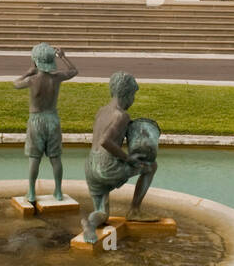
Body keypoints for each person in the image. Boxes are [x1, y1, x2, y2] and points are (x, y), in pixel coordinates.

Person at [82, 72, 159, 242]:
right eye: (133, 95)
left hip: (90, 166)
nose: (133, 100)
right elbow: (105, 141)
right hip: (107, 166)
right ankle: (134, 210)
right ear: (127, 94)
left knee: (102, 213)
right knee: (151, 167)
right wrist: (127, 158)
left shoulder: (101, 111)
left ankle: (90, 224)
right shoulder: (121, 115)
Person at [13, 42, 78, 203]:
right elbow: (74, 71)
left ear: (35, 61)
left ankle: (32, 192)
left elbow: (15, 84)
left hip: (36, 120)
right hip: (53, 119)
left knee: (34, 158)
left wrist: (27, 72)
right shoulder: (57, 78)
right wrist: (64, 57)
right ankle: (58, 191)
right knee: (55, 158)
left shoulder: (32, 80)